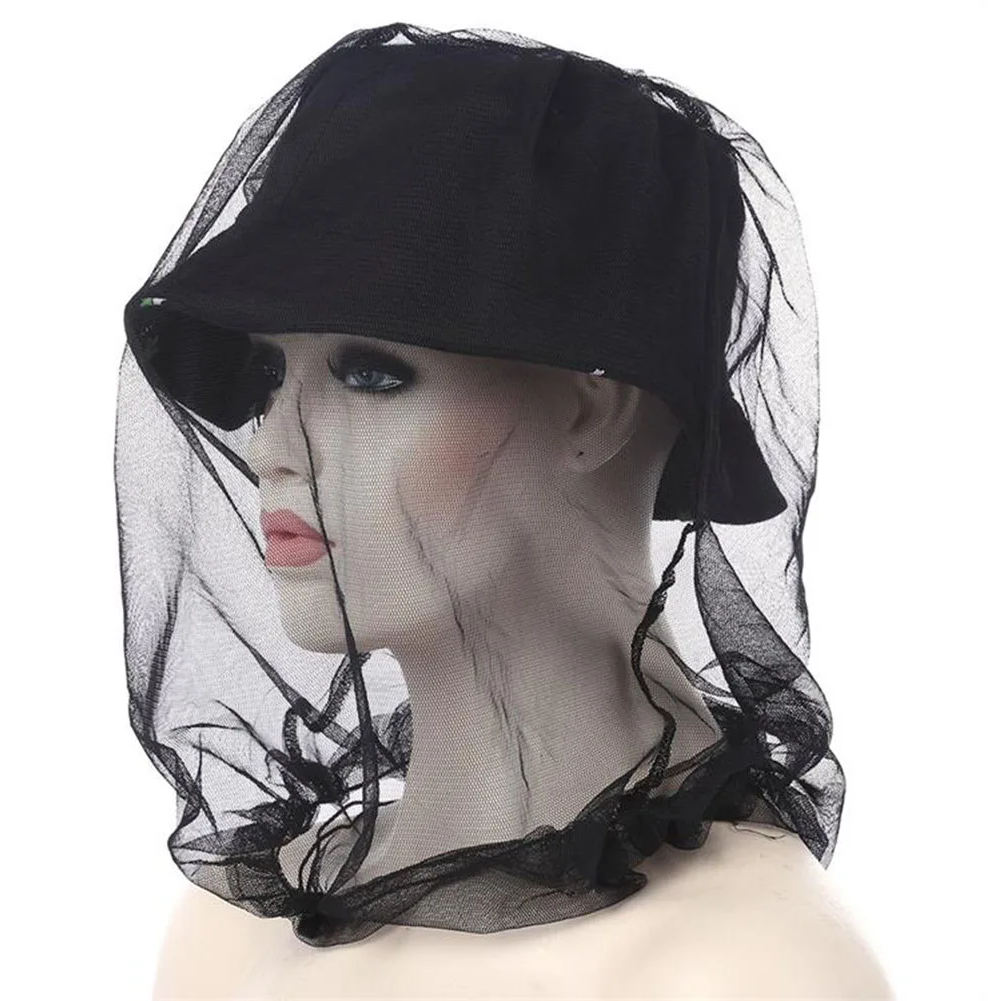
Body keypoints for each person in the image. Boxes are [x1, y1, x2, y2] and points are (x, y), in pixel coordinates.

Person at [114, 21, 895, 997]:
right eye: (269, 372)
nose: (271, 445)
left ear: (591, 409)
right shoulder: (235, 929)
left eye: (369, 373)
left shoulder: (742, 972)